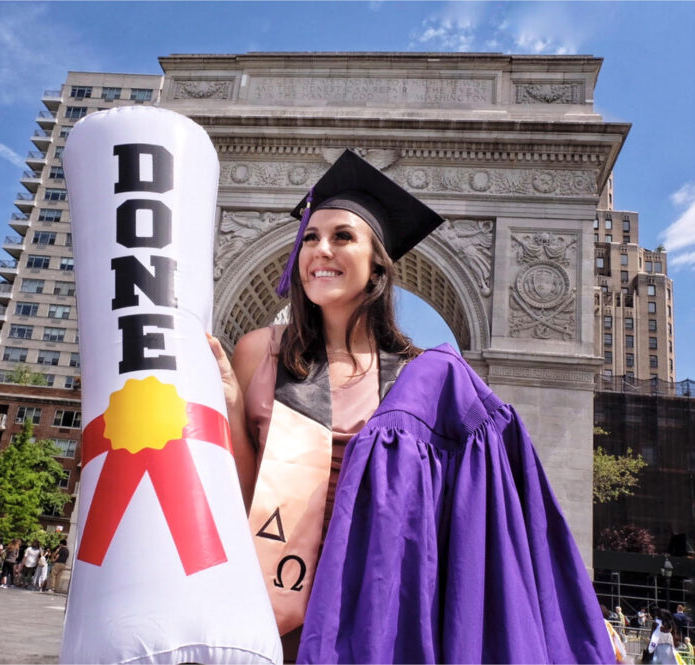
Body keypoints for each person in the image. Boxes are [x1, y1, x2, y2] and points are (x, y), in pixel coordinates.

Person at [210, 149, 614, 664]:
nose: (319, 250)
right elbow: (240, 490)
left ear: (378, 258)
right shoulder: (260, 350)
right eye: (310, 237)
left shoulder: (425, 378)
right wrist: (227, 403)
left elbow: (470, 511)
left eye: (342, 237)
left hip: (374, 614)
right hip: (270, 602)